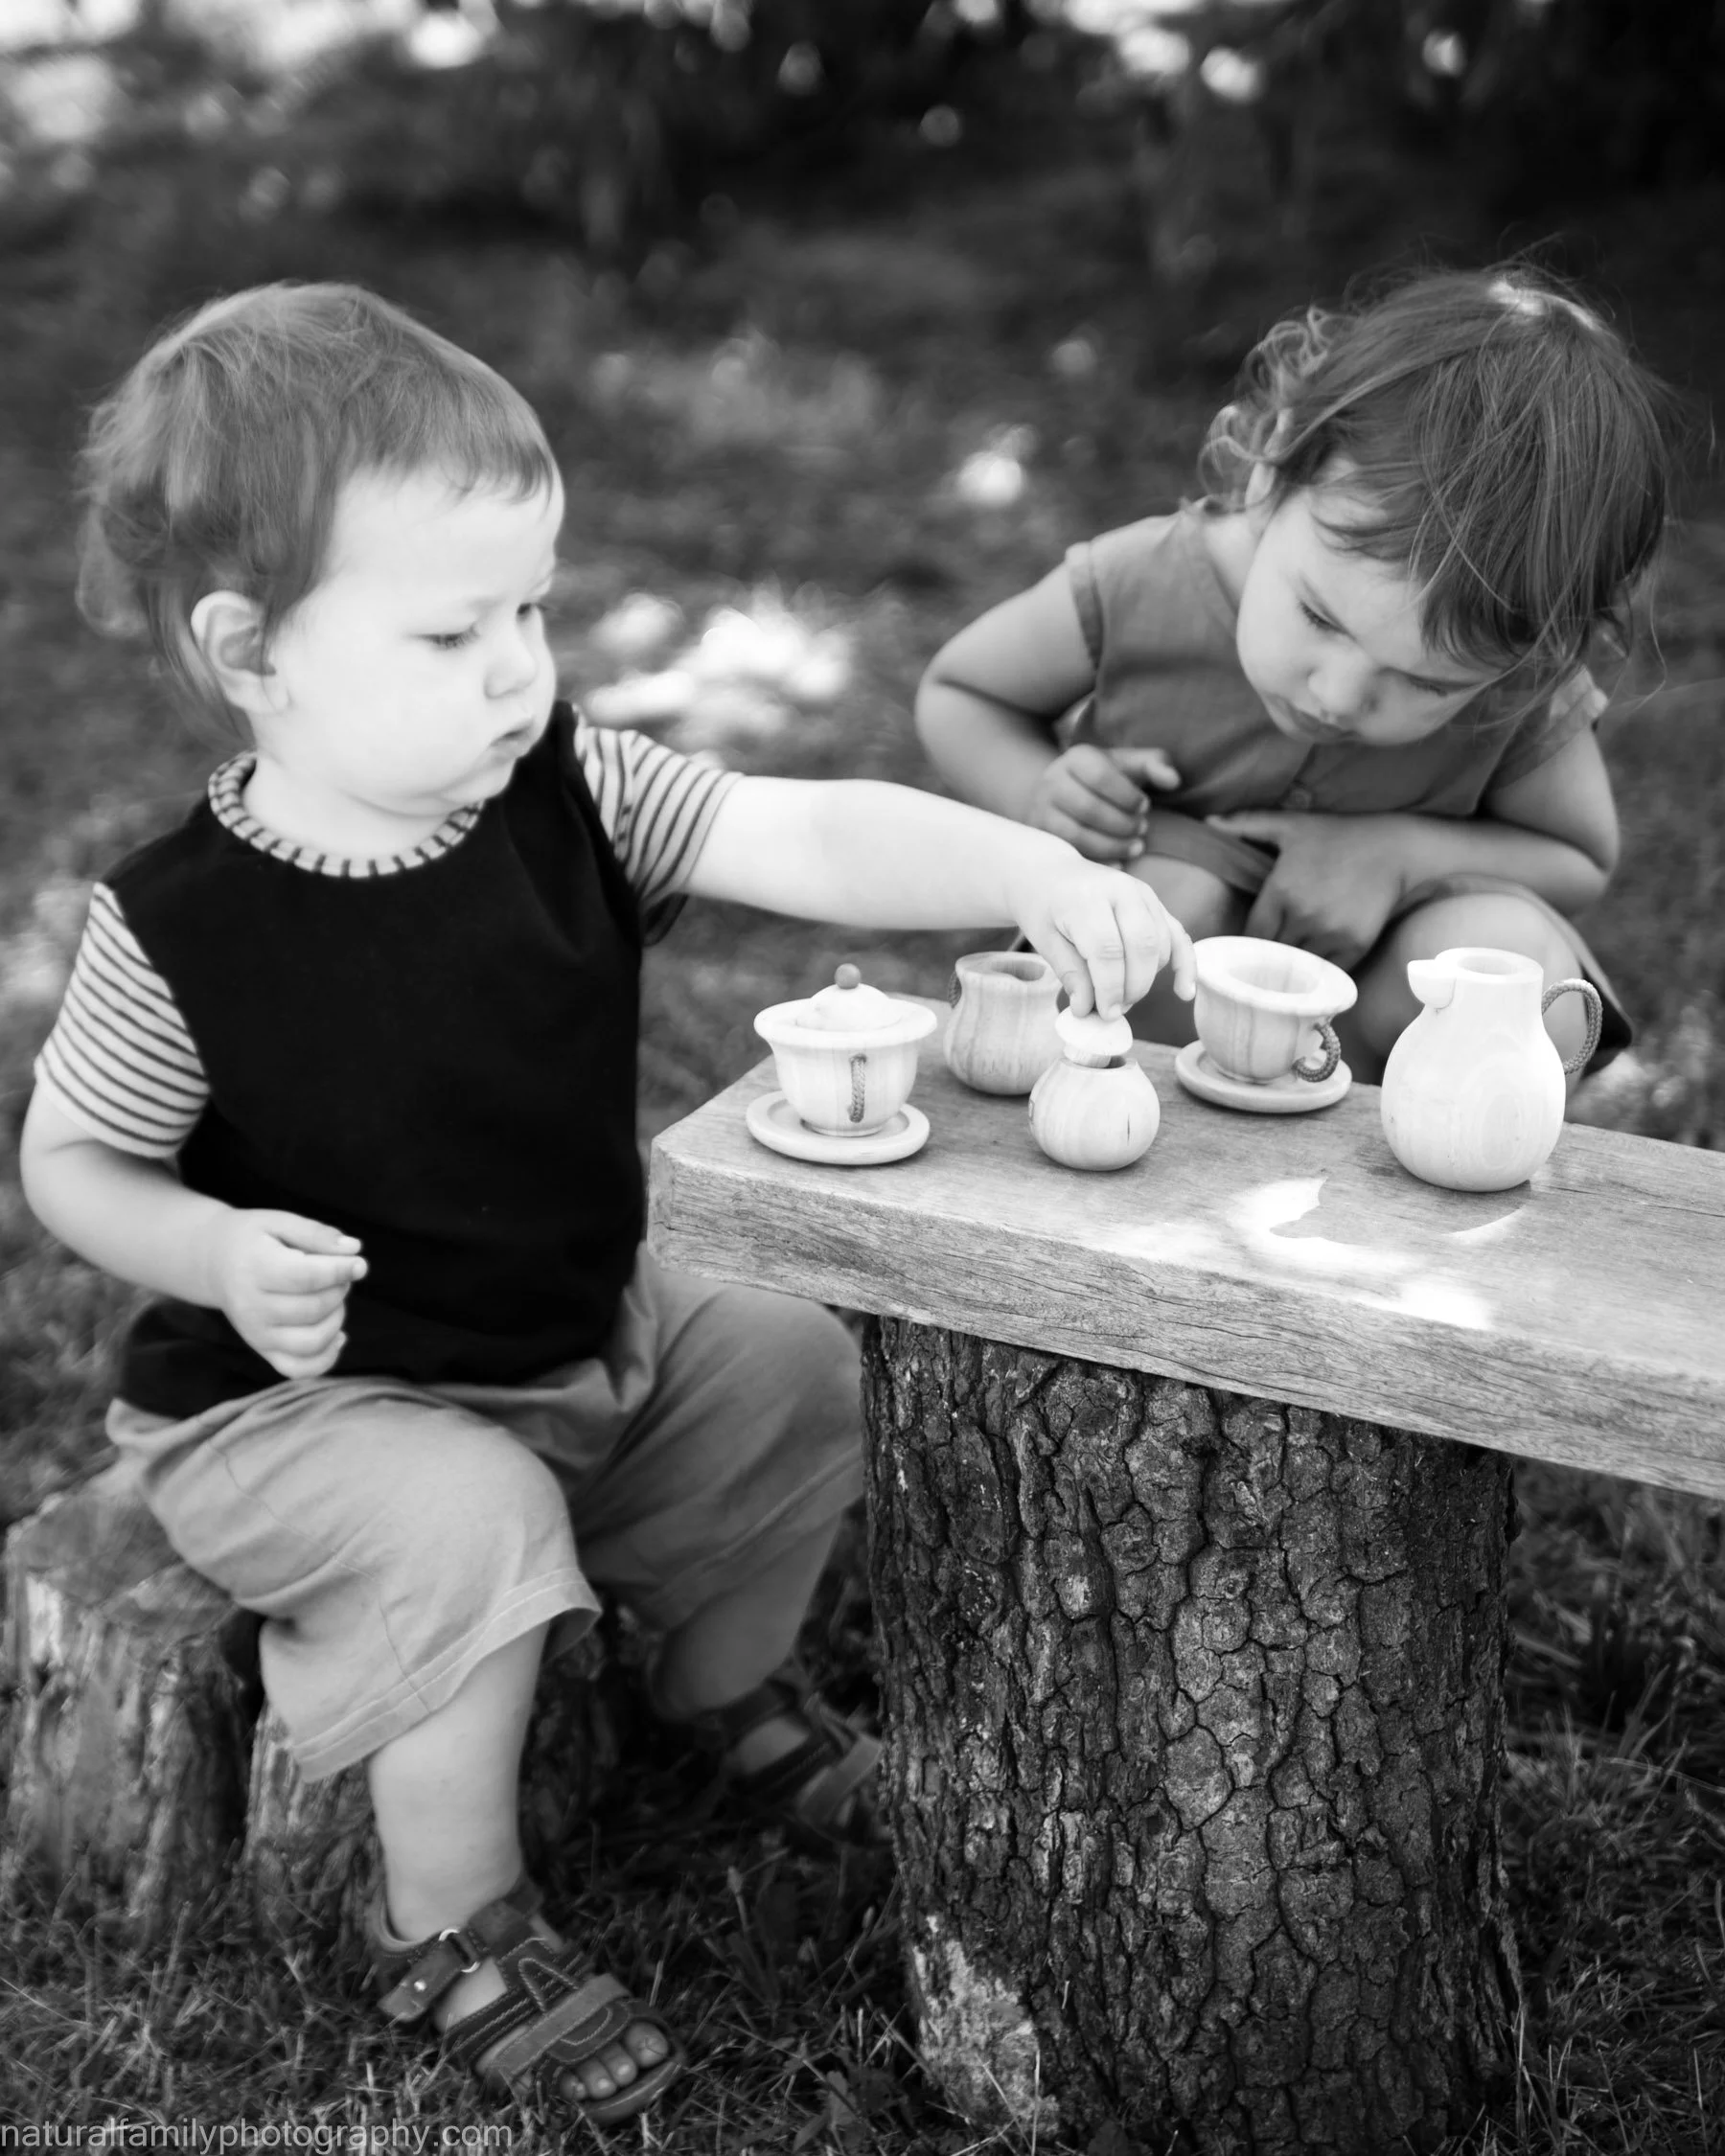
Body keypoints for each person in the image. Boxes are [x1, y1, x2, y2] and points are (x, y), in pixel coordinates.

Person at [17, 285, 1194, 2126]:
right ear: (254, 650)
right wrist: (216, 1254)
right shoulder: (181, 928)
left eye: (533, 612)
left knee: (795, 1358)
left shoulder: (569, 791)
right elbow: (71, 1164)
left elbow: (802, 831)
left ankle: (714, 1680)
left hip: (578, 1336)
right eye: (451, 629)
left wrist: (1024, 858)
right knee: (471, 1517)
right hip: (306, 1408)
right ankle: (451, 1916)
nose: (516, 671)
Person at [914, 265, 1671, 1078]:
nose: (1339, 696)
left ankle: (1407, 1160)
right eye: (1319, 618)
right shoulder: (1147, 580)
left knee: (1512, 968)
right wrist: (1039, 791)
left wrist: (1396, 855)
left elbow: (1579, 860)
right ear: (1275, 473)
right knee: (1169, 903)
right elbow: (961, 694)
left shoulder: (1518, 681)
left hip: (1379, 1009)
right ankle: (1136, 1139)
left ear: (1538, 653)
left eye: (1428, 683)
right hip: (1162, 991)